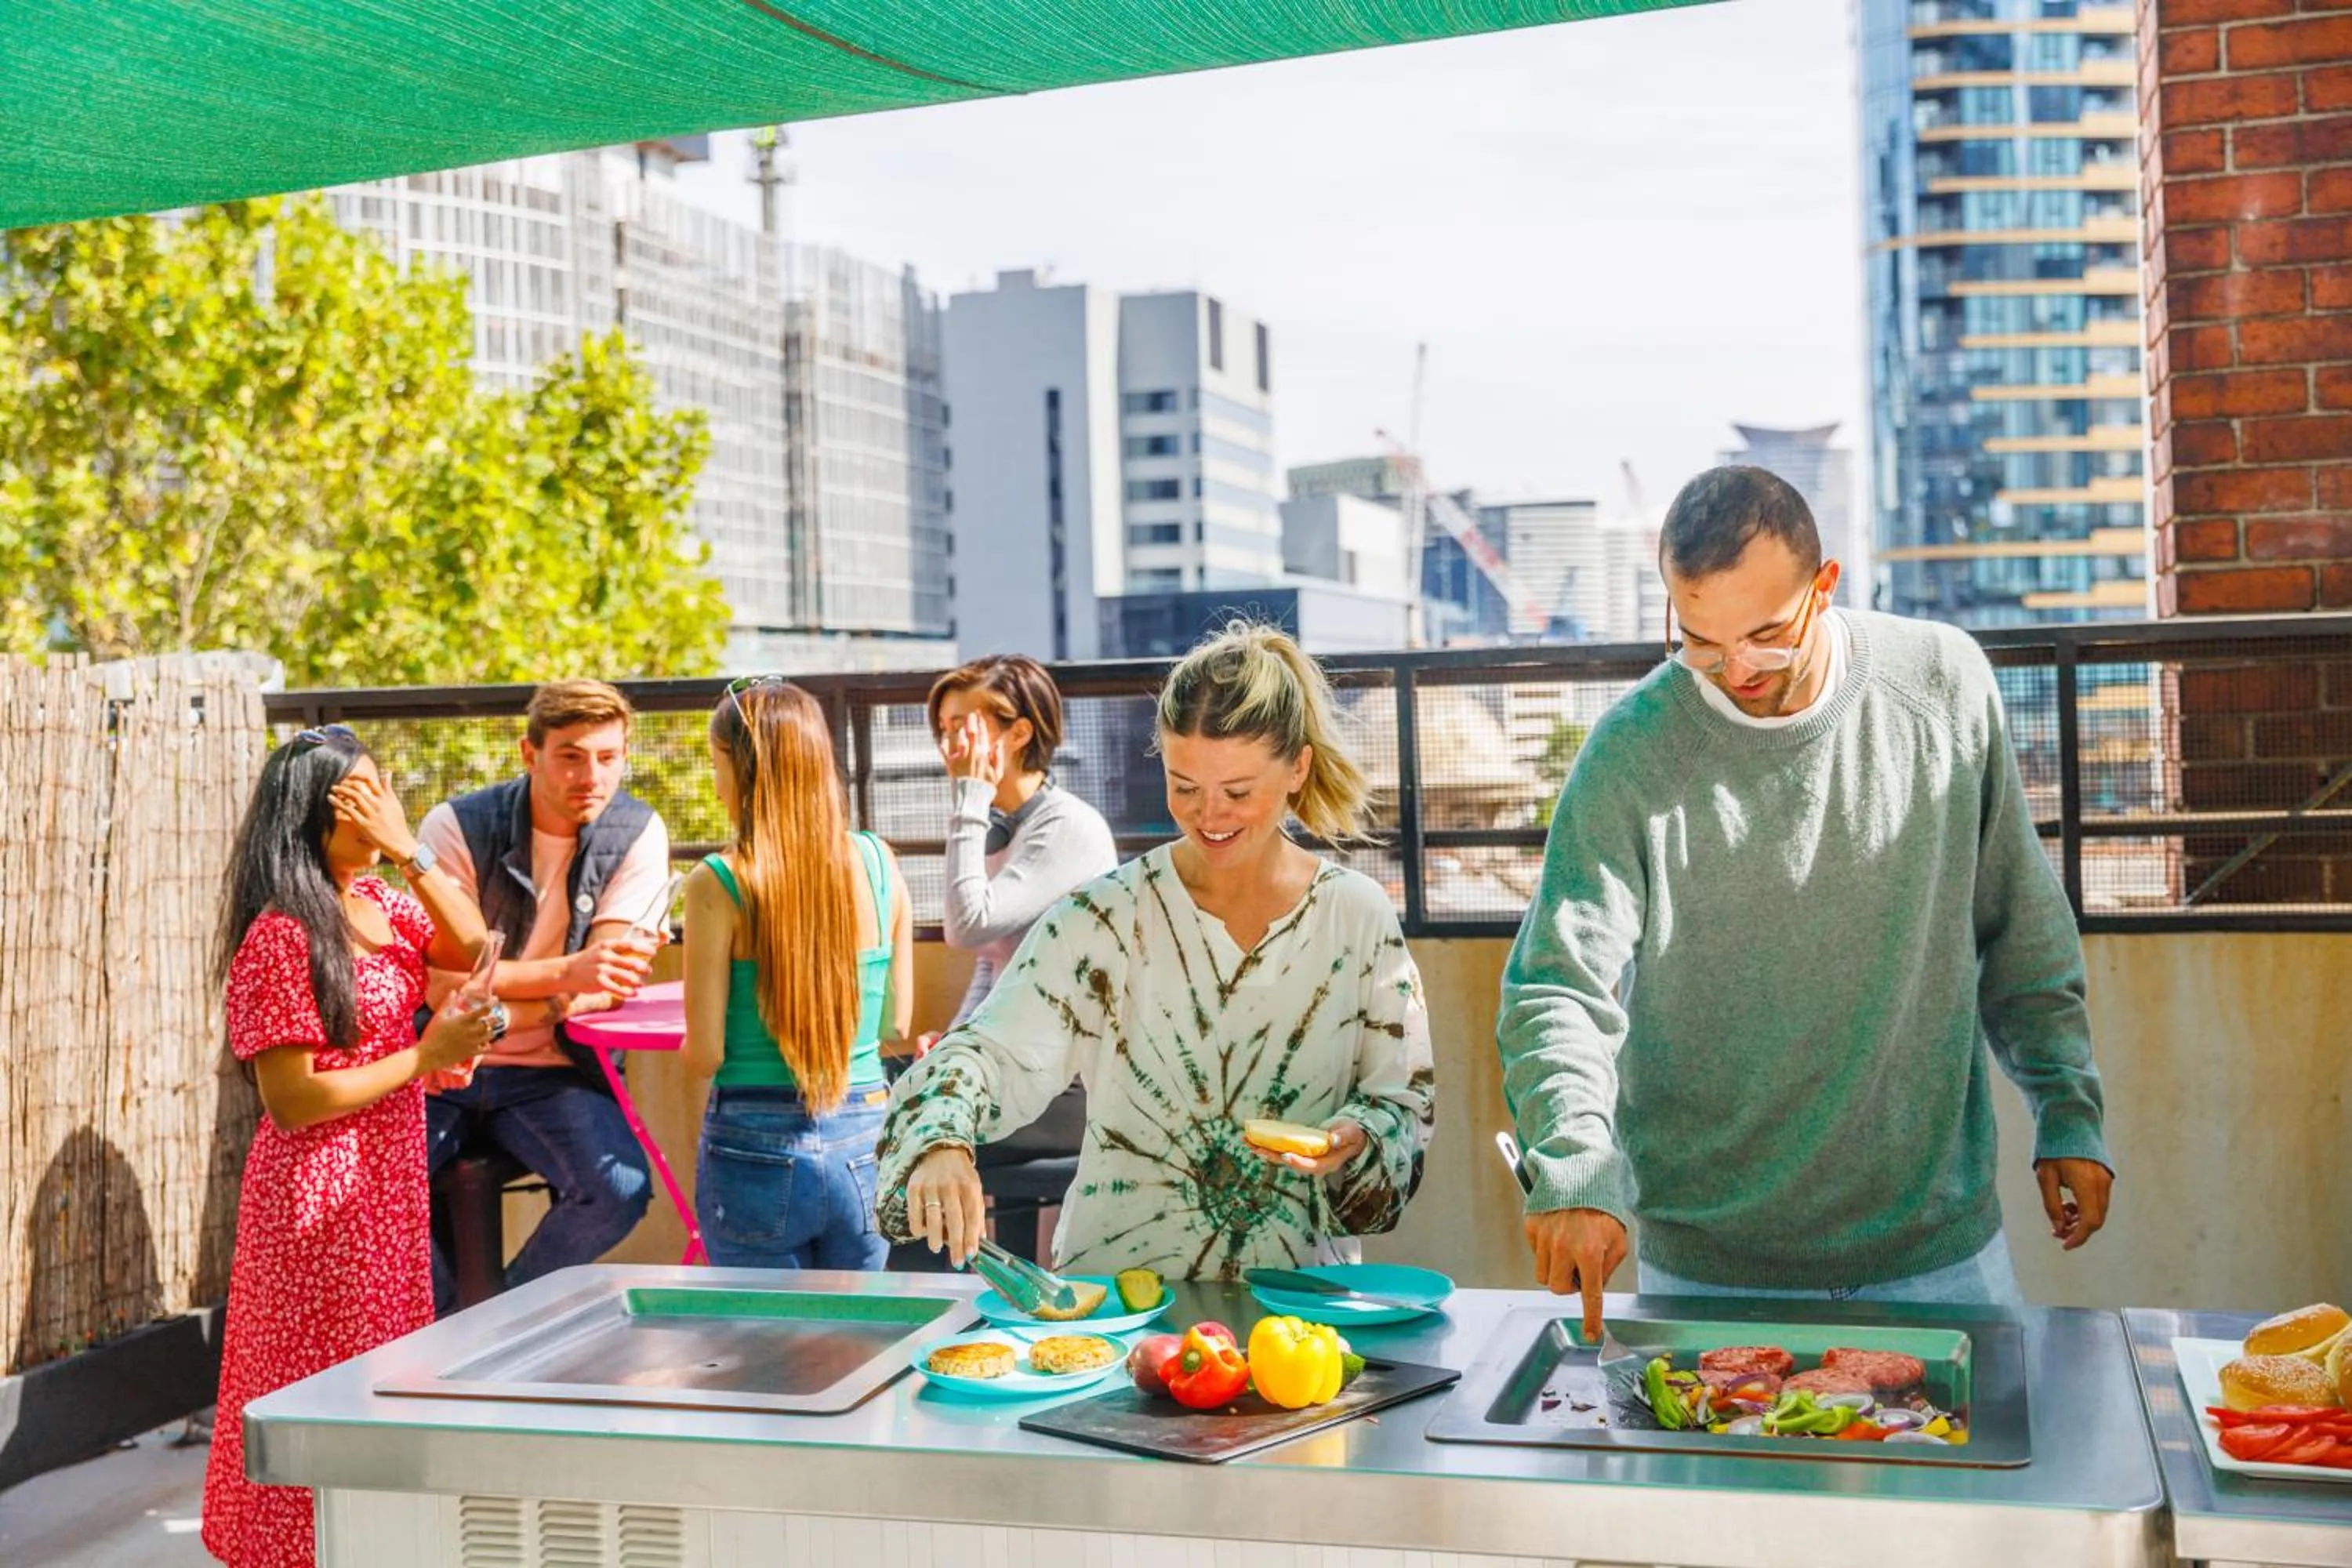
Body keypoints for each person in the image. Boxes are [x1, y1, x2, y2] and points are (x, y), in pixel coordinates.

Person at [1497, 466, 2114, 1338]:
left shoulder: (1943, 684)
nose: (1735, 669)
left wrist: (2068, 1110)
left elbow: (2019, 924)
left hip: (1938, 1252)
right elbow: (1558, 985)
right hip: (1710, 1272)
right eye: (1700, 641)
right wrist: (1574, 1165)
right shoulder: (1631, 753)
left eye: (1765, 636)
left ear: (1825, 586)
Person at [878, 622, 1437, 1279]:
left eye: (1237, 792)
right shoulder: (1105, 916)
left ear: (1298, 768)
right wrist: (941, 1137)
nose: (1209, 815)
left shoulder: (1358, 916)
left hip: (1300, 1303)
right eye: (1184, 786)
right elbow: (989, 1050)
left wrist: (1360, 1137)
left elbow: (1403, 1101)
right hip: (1118, 1304)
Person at [204, 725, 498, 1568]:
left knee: (385, 1374)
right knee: (319, 1387)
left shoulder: (384, 900)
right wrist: (426, 1057)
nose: (379, 814)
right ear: (312, 812)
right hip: (316, 1196)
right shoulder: (280, 935)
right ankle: (295, 1552)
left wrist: (410, 850)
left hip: (387, 1181)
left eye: (384, 796)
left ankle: (370, 1543)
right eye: (359, 801)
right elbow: (292, 1100)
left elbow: (474, 944)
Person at [412, 680, 669, 1313]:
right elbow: (442, 985)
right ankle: (446, 1321)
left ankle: (500, 1318)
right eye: (571, 757)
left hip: (553, 1070)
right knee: (366, 1197)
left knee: (619, 1188)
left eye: (608, 758)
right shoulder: (457, 825)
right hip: (439, 1062)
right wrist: (568, 977)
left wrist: (517, 1001)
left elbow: (605, 983)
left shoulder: (637, 831)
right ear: (530, 754)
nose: (592, 776)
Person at [682, 677, 912, 1268]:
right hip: (866, 1134)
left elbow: (705, 1055)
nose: (716, 787)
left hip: (751, 1138)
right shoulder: (879, 862)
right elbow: (897, 1024)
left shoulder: (717, 882)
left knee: (765, 1326)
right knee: (860, 1324)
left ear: (742, 769)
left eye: (717, 765)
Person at [924, 655, 1117, 1166]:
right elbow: (992, 958)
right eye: (943, 730)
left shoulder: (1066, 827)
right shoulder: (1005, 823)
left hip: (1073, 1085)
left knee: (911, 1126)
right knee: (898, 1094)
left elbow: (967, 927)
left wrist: (969, 799)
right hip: (1020, 1068)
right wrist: (954, 1046)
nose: (949, 746)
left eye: (962, 727)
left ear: (1020, 733)